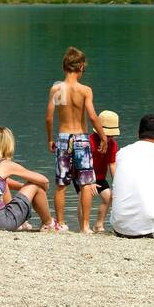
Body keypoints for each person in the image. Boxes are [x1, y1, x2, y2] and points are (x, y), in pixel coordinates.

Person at [45, 47, 107, 234]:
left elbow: (49, 117)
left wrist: (50, 139)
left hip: (63, 138)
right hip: (81, 138)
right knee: (86, 184)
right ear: (80, 67)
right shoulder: (85, 90)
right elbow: (92, 116)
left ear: (64, 67)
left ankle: (62, 224)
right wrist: (103, 136)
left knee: (61, 184)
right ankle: (86, 226)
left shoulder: (57, 89)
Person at [0, 126, 54, 232]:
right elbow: (44, 181)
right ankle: (49, 224)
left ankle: (22, 223)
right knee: (36, 185)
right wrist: (33, 190)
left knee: (4, 182)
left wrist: (23, 188)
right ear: (8, 146)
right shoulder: (5, 165)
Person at [89, 109, 120, 233]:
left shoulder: (112, 144)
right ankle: (83, 225)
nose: (110, 137)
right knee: (85, 197)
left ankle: (99, 225)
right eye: (108, 135)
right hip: (83, 175)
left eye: (112, 135)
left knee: (108, 197)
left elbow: (112, 164)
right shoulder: (89, 141)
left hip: (100, 177)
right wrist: (90, 181)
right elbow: (85, 164)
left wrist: (117, 183)